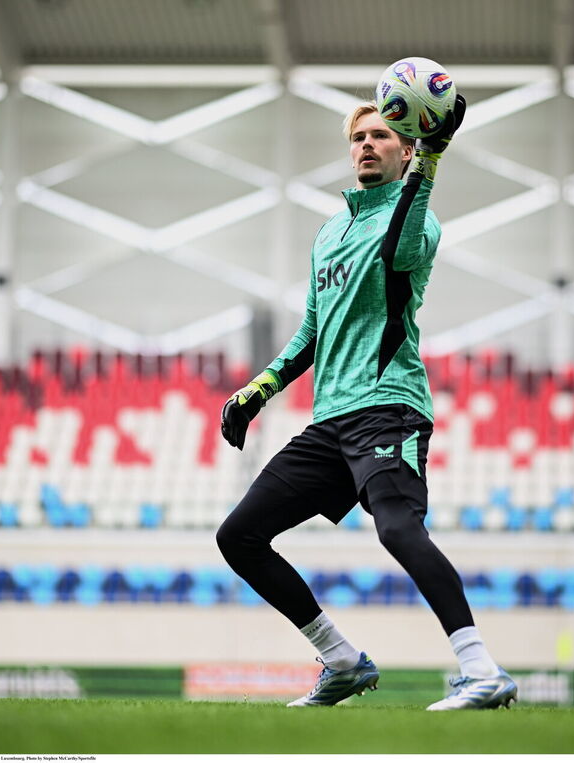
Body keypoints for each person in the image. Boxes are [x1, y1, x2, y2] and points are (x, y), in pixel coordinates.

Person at [216, 92, 516, 711]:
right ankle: (343, 660)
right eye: (359, 138)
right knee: (239, 536)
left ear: (406, 148)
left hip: (390, 406)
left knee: (397, 527)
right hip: (330, 423)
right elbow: (311, 333)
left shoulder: (418, 218)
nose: (366, 146)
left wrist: (432, 161)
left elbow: (401, 252)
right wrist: (257, 391)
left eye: (382, 137)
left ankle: (481, 669)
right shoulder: (329, 233)